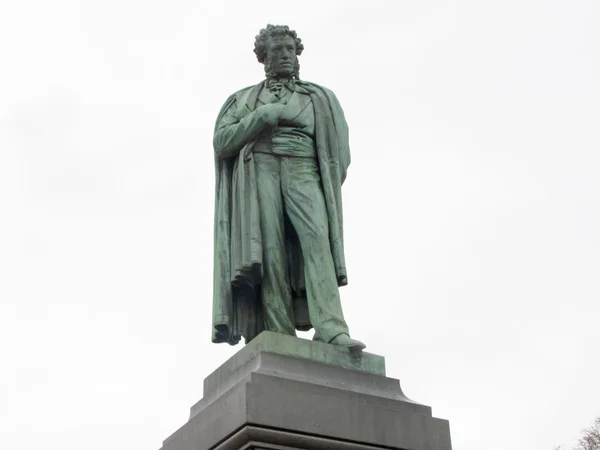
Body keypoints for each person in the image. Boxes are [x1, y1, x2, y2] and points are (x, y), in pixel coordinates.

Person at [211, 24, 365, 353]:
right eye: (277, 50)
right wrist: (261, 117)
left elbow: (341, 153)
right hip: (260, 167)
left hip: (304, 168)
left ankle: (332, 329)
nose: (285, 55)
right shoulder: (242, 100)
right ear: (263, 58)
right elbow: (222, 141)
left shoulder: (319, 98)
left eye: (290, 50)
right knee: (270, 250)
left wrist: (323, 184)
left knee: (316, 241)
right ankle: (278, 330)